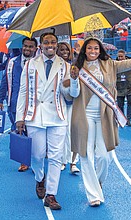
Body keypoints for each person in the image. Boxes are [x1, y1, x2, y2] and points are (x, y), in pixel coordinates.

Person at [16, 33, 80, 210]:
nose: (49, 45)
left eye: (53, 42)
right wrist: (19, 118)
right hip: (34, 115)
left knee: (55, 157)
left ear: (57, 44)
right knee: (37, 155)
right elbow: (22, 92)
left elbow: (72, 95)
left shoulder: (66, 66)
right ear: (41, 45)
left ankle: (51, 194)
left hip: (57, 116)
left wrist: (74, 80)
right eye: (46, 42)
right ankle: (39, 178)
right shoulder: (30, 64)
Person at [70, 36, 131, 207]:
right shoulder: (77, 68)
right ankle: (93, 195)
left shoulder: (110, 65)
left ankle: (97, 184)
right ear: (84, 50)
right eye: (89, 48)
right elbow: (72, 95)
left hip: (104, 116)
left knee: (104, 157)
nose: (93, 51)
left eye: (96, 48)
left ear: (101, 50)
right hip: (84, 116)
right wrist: (74, 79)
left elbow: (128, 64)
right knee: (86, 155)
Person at [0, 37, 38, 172]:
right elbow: (4, 82)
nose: (27, 49)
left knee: (34, 133)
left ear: (35, 49)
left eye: (31, 46)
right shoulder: (12, 63)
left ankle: (36, 160)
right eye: (26, 46)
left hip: (33, 103)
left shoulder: (39, 63)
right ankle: (24, 161)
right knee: (18, 132)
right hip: (14, 104)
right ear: (22, 47)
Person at [56, 42, 80, 174]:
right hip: (59, 105)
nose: (64, 52)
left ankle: (73, 162)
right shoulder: (55, 67)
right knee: (62, 134)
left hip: (74, 105)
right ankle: (63, 160)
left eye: (66, 49)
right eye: (61, 50)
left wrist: (73, 80)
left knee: (73, 134)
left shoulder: (75, 66)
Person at [116, 49, 131, 126]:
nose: (120, 58)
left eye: (121, 56)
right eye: (118, 56)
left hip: (130, 88)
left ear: (125, 56)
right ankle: (122, 120)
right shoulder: (114, 64)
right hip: (119, 88)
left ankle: (128, 120)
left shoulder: (130, 64)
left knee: (130, 104)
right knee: (120, 105)